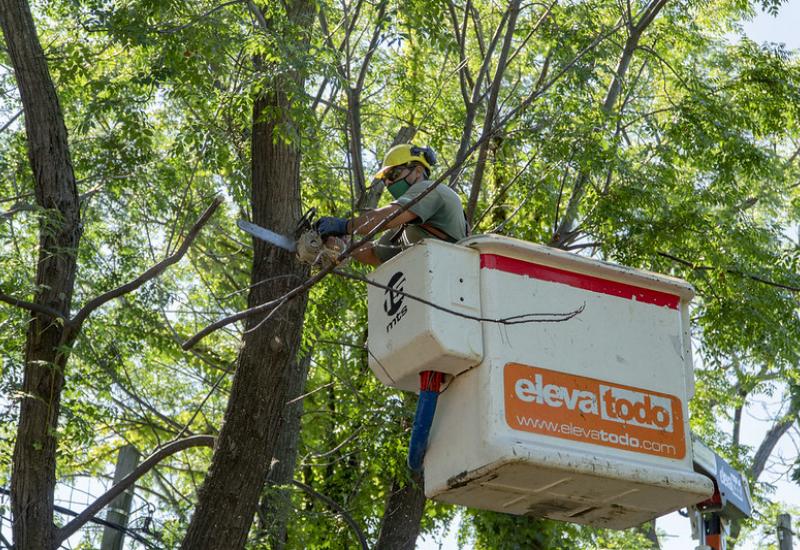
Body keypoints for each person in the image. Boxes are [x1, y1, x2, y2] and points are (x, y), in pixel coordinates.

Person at [316, 144, 468, 265]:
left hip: (453, 280)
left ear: (418, 171)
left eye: (393, 175)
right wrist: (340, 244)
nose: (388, 182)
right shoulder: (405, 225)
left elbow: (386, 216)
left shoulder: (430, 190)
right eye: (385, 180)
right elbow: (375, 255)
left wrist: (345, 225)